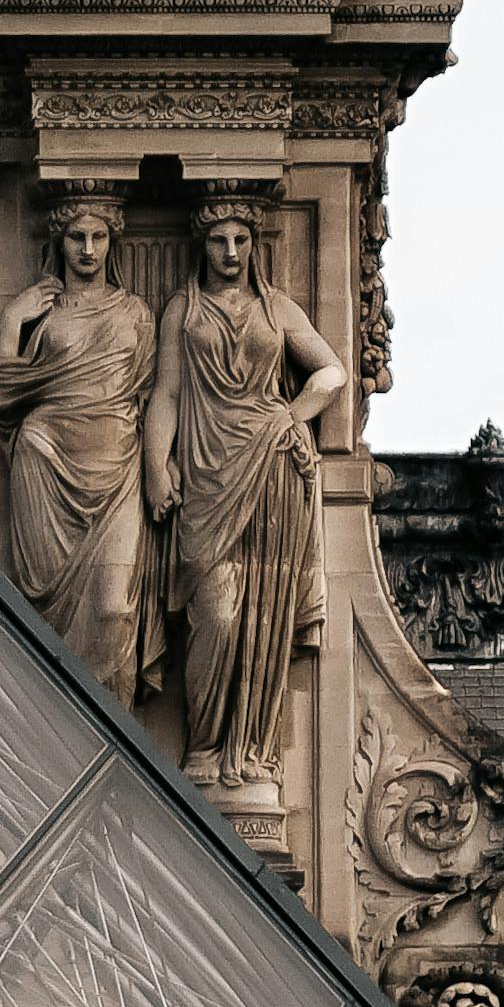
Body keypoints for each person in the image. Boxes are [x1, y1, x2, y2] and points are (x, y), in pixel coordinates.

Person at [144, 193, 346, 800]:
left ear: (255, 245)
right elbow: (167, 395)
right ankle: (203, 745)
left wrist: (293, 416)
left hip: (270, 470)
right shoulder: (182, 309)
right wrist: (157, 464)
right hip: (204, 475)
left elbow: (331, 372)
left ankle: (251, 752)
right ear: (201, 245)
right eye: (217, 241)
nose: (230, 253)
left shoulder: (279, 308)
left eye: (241, 241)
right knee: (217, 612)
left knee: (263, 615)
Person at [0, 193, 158, 701]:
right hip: (48, 468)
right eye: (77, 237)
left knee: (116, 610)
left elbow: (149, 396)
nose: (87, 248)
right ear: (60, 241)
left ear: (112, 242)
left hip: (119, 472)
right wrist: (14, 315)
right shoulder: (45, 315)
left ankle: (121, 744)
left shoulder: (136, 313)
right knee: (50, 616)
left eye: (98, 237)